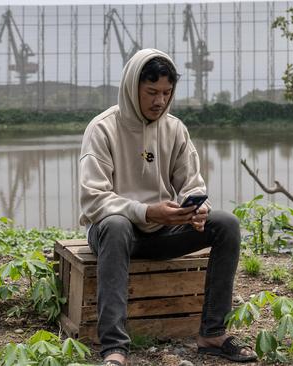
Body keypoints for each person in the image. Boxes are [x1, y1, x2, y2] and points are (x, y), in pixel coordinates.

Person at [78, 49, 257, 366]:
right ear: (132, 88)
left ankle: (213, 334)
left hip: (162, 231)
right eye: (151, 92)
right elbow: (94, 199)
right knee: (118, 225)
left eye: (166, 93)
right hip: (112, 234)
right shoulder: (102, 128)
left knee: (225, 224)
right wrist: (146, 212)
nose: (159, 101)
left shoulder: (175, 129)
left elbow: (192, 183)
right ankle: (114, 348)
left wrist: (197, 208)